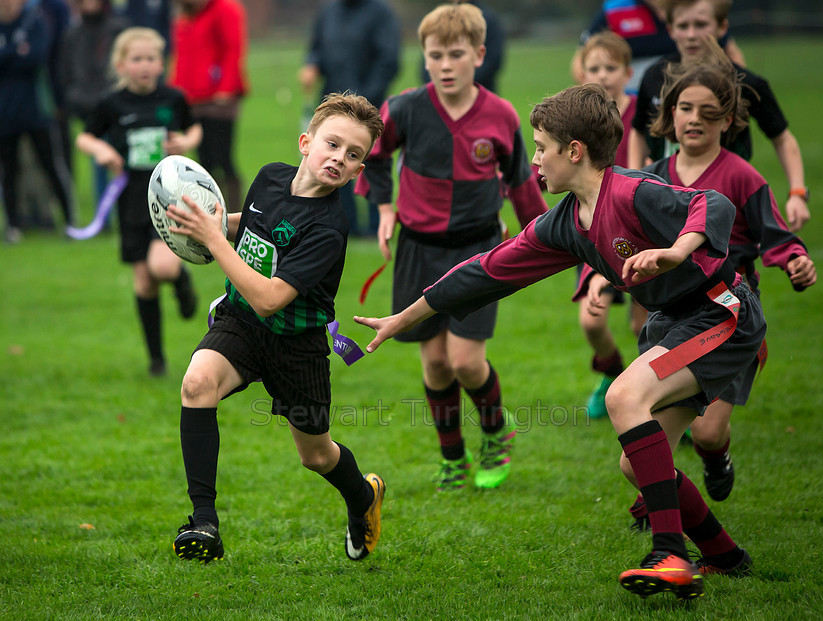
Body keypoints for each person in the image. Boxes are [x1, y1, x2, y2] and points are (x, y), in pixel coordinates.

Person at [357, 83, 761, 600]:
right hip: (678, 323)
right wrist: (403, 318)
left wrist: (677, 252)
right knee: (636, 464)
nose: (534, 160)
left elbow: (714, 204)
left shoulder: (634, 192)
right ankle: (725, 555)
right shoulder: (564, 224)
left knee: (623, 395)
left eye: (542, 147)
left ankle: (670, 554)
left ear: (575, 152)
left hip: (721, 313)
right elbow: (482, 273)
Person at [164, 93, 387, 564]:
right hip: (240, 323)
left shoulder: (329, 228)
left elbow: (270, 298)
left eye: (353, 156)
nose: (339, 159)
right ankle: (204, 521)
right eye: (332, 144)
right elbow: (253, 228)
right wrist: (209, 224)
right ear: (305, 142)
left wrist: (211, 241)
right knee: (196, 382)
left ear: (357, 172)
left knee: (316, 456)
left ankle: (363, 496)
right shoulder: (268, 178)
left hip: (296, 346)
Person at [616, 44, 815, 527]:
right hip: (670, 319)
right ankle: (658, 488)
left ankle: (712, 457)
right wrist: (600, 284)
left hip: (727, 315)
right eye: (685, 108)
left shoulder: (741, 175)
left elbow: (776, 233)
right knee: (650, 417)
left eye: (709, 112)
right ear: (669, 113)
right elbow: (621, 235)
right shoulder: (653, 178)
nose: (694, 120)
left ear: (728, 121)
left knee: (706, 433)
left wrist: (794, 260)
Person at [356, 3, 547, 492]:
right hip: (418, 249)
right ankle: (453, 458)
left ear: (479, 55)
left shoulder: (501, 115)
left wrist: (542, 237)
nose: (444, 65)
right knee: (436, 363)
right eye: (434, 55)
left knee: (465, 361)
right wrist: (383, 209)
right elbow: (374, 157)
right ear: (423, 57)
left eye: (456, 54)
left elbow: (523, 181)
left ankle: (494, 432)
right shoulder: (403, 107)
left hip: (478, 249)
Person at [76, 27, 202, 376]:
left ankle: (180, 282)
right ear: (121, 64)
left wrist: (184, 143)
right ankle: (156, 359)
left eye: (151, 58)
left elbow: (194, 129)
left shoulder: (173, 98)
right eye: (137, 59)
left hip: (168, 196)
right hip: (130, 198)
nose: (145, 65)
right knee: (144, 281)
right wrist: (101, 150)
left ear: (160, 63)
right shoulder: (111, 104)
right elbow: (84, 138)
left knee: (161, 267)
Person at [628, 0, 810, 232]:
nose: (692, 34)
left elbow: (782, 138)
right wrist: (634, 182)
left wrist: (797, 193)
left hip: (725, 206)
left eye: (701, 24)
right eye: (683, 26)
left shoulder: (745, 83)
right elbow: (638, 130)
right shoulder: (655, 76)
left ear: (722, 27)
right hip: (664, 202)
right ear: (670, 30)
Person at [574, 31, 648, 419]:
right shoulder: (579, 119)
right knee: (592, 319)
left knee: (644, 326)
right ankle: (613, 374)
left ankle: (653, 397)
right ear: (582, 71)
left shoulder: (645, 113)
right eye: (594, 67)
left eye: (611, 67)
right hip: (595, 231)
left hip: (641, 231)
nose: (603, 75)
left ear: (628, 71)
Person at [298, 0, 400, 237]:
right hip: (332, 108)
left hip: (369, 111)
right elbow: (317, 48)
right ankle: (344, 223)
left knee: (372, 164)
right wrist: (311, 65)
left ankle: (377, 227)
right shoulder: (329, 11)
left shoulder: (381, 13)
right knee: (333, 160)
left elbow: (388, 61)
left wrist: (362, 102)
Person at [0, 0, 76, 243]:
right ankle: (12, 225)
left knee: (51, 165)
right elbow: (21, 55)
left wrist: (7, 54)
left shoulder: (34, 21)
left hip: (36, 110)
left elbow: (37, 55)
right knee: (9, 171)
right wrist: (16, 50)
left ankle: (70, 221)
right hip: (5, 112)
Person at [169, 0, 248, 210]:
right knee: (203, 160)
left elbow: (233, 48)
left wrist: (226, 87)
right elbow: (183, 55)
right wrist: (175, 89)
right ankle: (208, 208)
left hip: (218, 100)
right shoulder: (185, 12)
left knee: (223, 157)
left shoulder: (225, 9)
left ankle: (233, 212)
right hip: (192, 98)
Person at [572, 0, 745, 93]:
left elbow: (730, 53)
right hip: (629, 105)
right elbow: (581, 60)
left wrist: (730, 91)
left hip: (692, 100)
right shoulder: (616, 9)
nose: (691, 32)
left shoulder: (696, 8)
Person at [60, 0, 128, 207]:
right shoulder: (73, 33)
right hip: (87, 106)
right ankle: (103, 214)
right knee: (99, 159)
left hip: (116, 104)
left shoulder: (117, 29)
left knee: (123, 157)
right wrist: (75, 96)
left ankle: (126, 208)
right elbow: (67, 69)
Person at [419, 0, 505, 93]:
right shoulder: (437, 20)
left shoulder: (488, 19)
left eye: (457, 55)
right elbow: (425, 70)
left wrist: (461, 83)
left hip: (481, 92)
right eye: (436, 56)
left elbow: (492, 61)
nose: (446, 66)